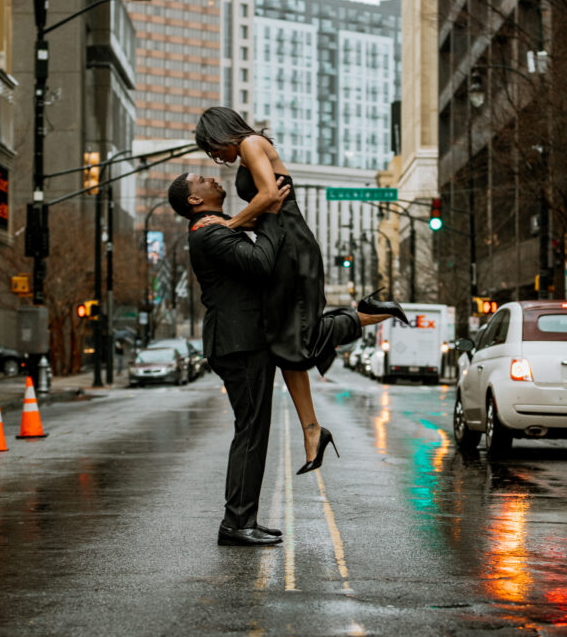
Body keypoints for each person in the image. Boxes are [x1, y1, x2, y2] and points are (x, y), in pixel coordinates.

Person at [194, 106, 410, 473]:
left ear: (222, 133)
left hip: (290, 245)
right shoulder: (249, 149)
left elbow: (266, 196)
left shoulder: (249, 143)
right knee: (284, 339)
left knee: (297, 336)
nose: (218, 158)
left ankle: (369, 313)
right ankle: (312, 430)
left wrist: (229, 224)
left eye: (215, 149)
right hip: (279, 240)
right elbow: (266, 201)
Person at [167, 171, 290, 547]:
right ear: (193, 200)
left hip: (242, 340)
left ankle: (242, 518)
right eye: (202, 179)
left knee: (252, 432)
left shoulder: (218, 226)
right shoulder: (208, 231)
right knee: (251, 432)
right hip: (239, 343)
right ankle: (237, 522)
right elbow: (261, 263)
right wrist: (269, 214)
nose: (213, 178)